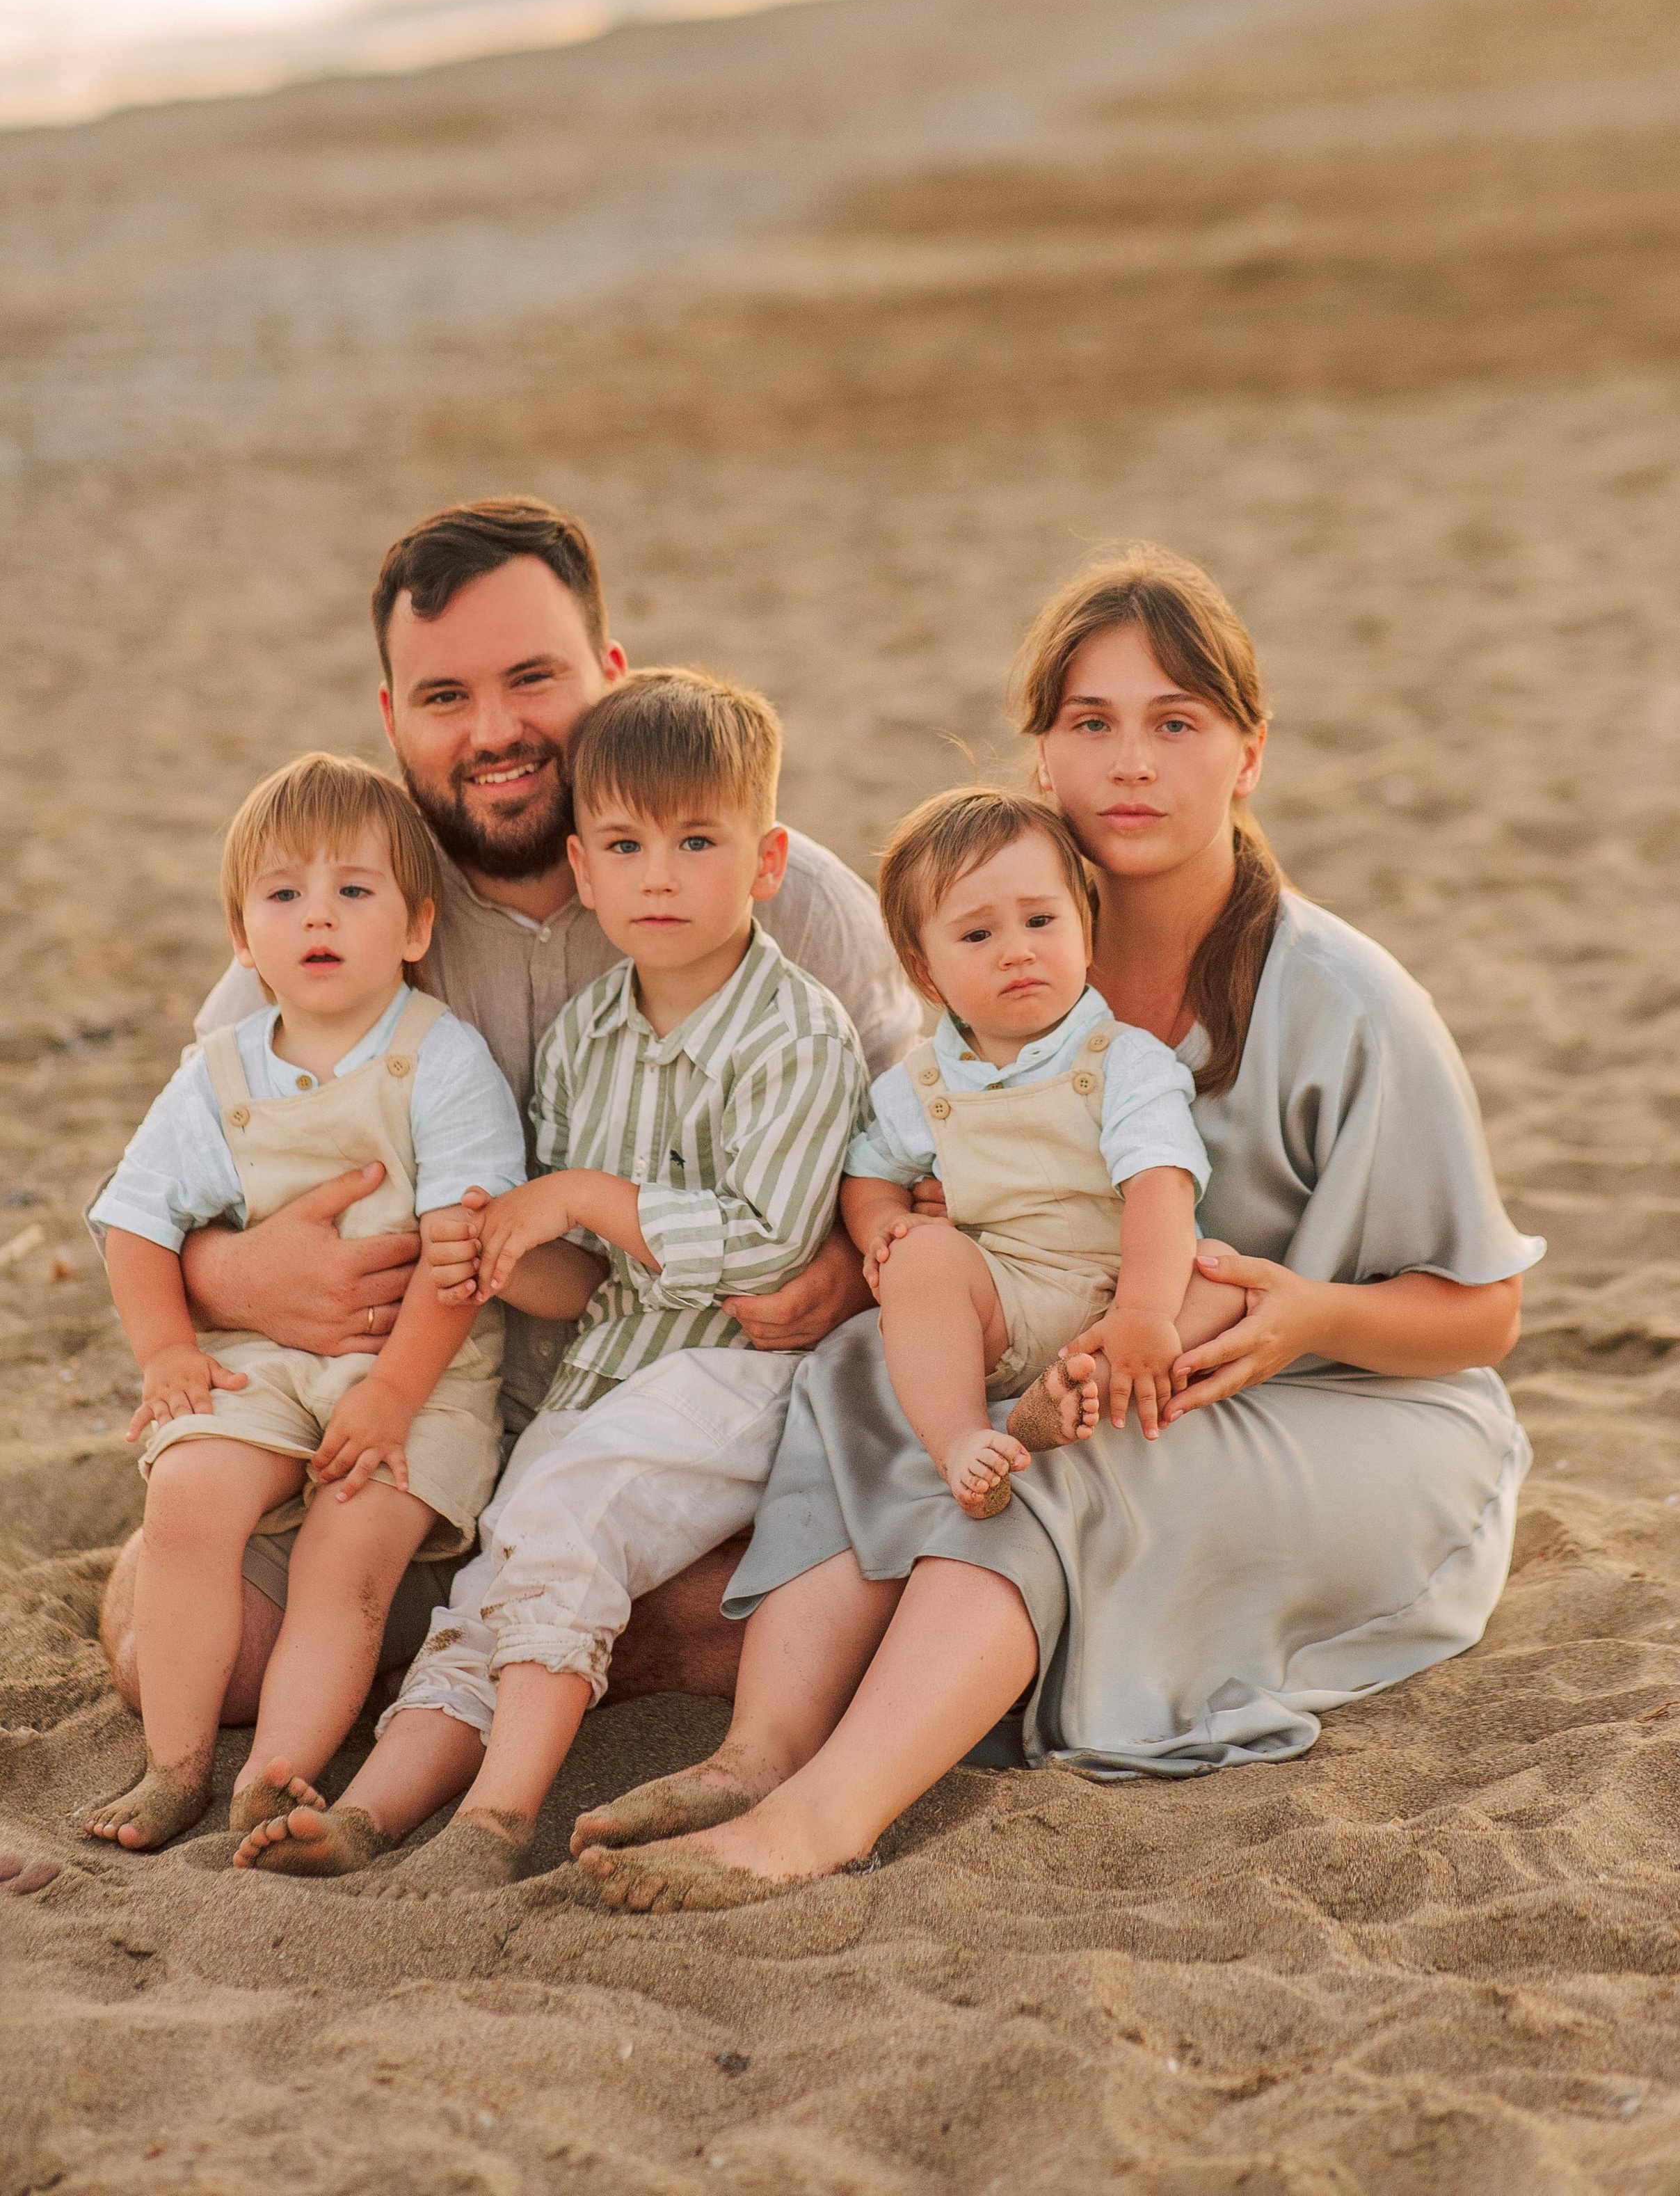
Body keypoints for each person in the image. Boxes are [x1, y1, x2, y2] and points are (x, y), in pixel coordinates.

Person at [568, 544, 1544, 1912]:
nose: (1129, 763)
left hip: (1363, 1412)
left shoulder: (1343, 1004)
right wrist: (892, 1242)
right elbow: (925, 1176)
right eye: (1089, 725)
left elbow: (1483, 1317)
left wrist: (1306, 1315)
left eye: (1175, 724)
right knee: (869, 1375)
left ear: (1246, 756)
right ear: (1041, 759)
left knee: (1058, 1468)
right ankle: (756, 1757)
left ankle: (822, 1821)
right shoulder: (1002, 973)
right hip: (1104, 1377)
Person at [96, 498, 921, 1741]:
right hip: (397, 1420)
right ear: (390, 718)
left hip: (668, 1417)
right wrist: (240, 1273)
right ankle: (434, 1629)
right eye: (443, 699)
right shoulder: (344, 902)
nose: (495, 734)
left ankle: (475, 1642)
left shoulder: (782, 895)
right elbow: (183, 1165)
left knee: (749, 1604)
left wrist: (855, 1265)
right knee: (183, 1662)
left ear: (611, 672)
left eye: (535, 679)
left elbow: (927, 1136)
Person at [234, 668, 867, 1884]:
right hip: (607, 1382)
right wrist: (496, 1255)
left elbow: (771, 1251)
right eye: (626, 847)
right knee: (495, 1582)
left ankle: (497, 1821)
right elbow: (589, 1286)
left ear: (768, 861)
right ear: (584, 872)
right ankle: (368, 1812)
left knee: (566, 1530)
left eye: (697, 843)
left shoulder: (796, 1035)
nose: (661, 876)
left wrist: (576, 1198)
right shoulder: (588, 1036)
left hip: (744, 1376)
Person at [83, 755, 582, 1851]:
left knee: (347, 1552)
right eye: (284, 895)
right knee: (190, 1498)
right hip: (262, 1357)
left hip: (424, 1374)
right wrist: (169, 1350)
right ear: (241, 934)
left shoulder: (439, 1059)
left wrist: (395, 1395)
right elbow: (133, 1219)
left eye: (354, 892)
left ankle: (278, 1771)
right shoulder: (216, 1073)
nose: (319, 916)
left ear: (413, 927)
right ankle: (173, 1767)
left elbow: (463, 1250)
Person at [845, 784, 1232, 1518]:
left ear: (1085, 927)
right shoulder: (920, 1083)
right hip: (1007, 1304)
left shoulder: (1124, 1059)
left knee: (1233, 1282)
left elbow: (1160, 1184)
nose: (1016, 950)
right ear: (924, 971)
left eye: (1040, 920)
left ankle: (1079, 1383)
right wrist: (881, 1231)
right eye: (976, 936)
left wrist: (1144, 1311)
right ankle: (962, 1438)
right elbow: (867, 1175)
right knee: (920, 1259)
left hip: (1135, 1284)